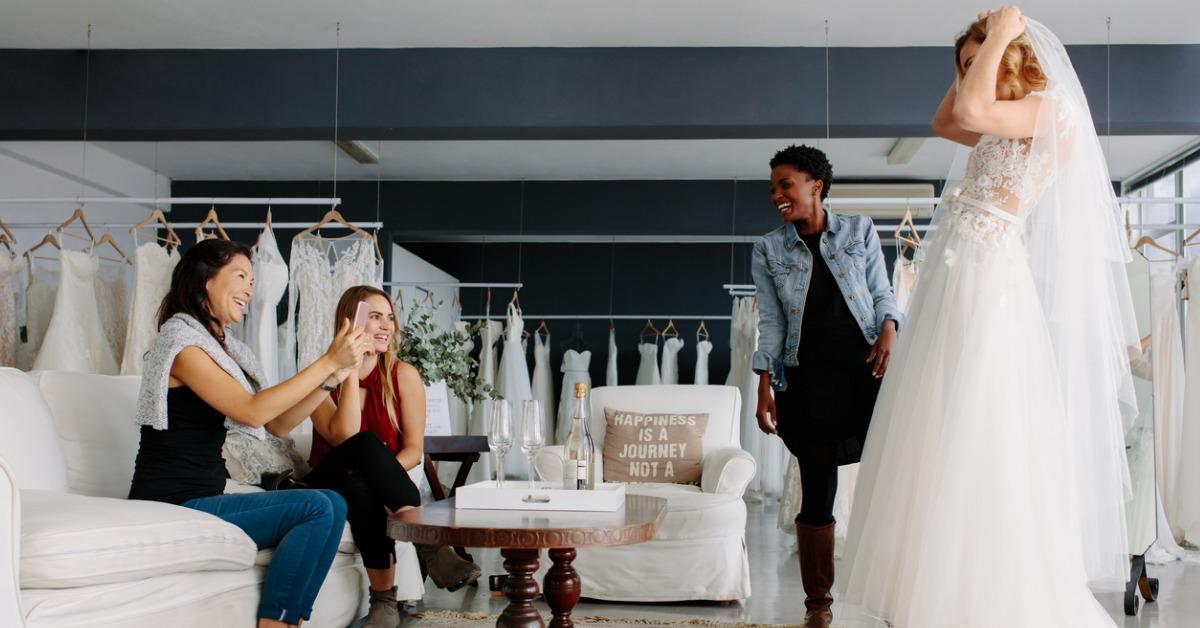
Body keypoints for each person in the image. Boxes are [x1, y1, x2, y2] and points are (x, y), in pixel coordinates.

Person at [840, 7, 1138, 627]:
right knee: (939, 416)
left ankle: (984, 593)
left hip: (989, 267)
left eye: (980, 65)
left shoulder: (1048, 110)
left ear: (1015, 57)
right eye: (964, 67)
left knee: (977, 411)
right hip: (960, 265)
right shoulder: (1002, 119)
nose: (970, 75)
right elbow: (946, 119)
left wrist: (1002, 30)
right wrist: (972, 58)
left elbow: (969, 112)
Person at [129, 239, 370, 628]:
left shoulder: (224, 349)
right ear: (206, 281)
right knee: (318, 507)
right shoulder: (181, 344)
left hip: (203, 494)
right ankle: (277, 623)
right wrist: (326, 359)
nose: (249, 290)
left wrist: (331, 378)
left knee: (332, 503)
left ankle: (284, 621)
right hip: (172, 501)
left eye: (252, 280)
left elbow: (276, 423)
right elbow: (250, 411)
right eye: (240, 276)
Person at [751, 144, 902, 628]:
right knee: (818, 487)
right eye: (773, 186)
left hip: (866, 373)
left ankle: (899, 588)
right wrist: (764, 385)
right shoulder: (768, 249)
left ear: (816, 184)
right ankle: (819, 606)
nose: (776, 194)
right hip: (807, 381)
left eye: (785, 184)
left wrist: (890, 328)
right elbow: (772, 322)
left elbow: (882, 293)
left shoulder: (858, 231)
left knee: (895, 475)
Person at [299, 285, 483, 626]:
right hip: (324, 481)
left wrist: (380, 477)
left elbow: (414, 449)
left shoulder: (404, 376)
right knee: (366, 446)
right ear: (350, 322)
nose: (386, 326)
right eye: (374, 317)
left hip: (358, 487)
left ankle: (383, 602)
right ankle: (432, 546)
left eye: (390, 318)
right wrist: (349, 366)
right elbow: (344, 436)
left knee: (362, 489)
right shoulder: (323, 375)